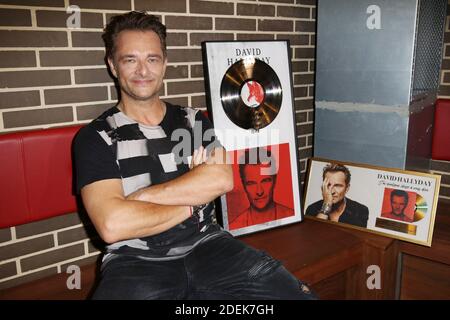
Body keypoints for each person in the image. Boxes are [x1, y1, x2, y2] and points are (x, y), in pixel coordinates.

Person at [73, 11, 315, 300]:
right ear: (113, 65)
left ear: (164, 64)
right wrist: (195, 198)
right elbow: (113, 226)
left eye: (152, 59)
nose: (143, 71)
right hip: (136, 260)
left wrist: (139, 198)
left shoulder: (191, 120)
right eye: (130, 60)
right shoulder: (96, 137)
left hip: (209, 245)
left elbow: (223, 179)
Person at [230, 148, 294, 229]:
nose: (259, 191)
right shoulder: (235, 227)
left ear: (274, 180)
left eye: (265, 181)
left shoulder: (291, 216)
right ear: (244, 186)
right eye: (251, 184)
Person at [305, 163, 369, 228]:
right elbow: (314, 234)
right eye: (328, 185)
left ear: (347, 188)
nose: (332, 191)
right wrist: (327, 204)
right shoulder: (312, 209)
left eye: (338, 186)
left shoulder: (360, 210)